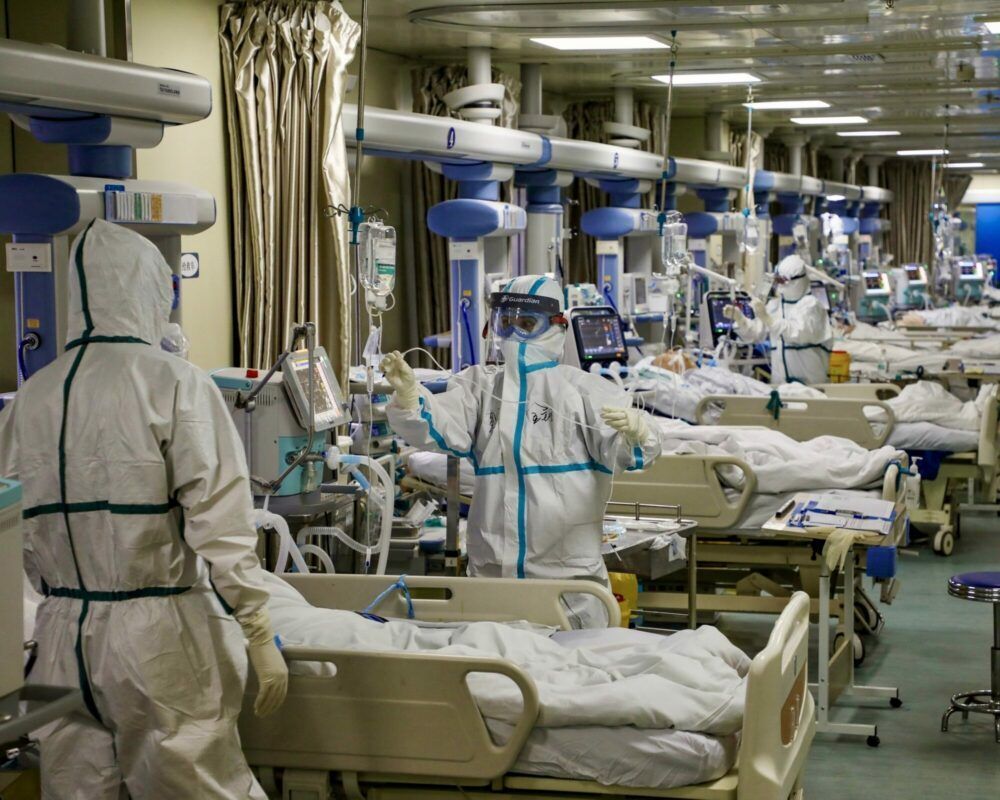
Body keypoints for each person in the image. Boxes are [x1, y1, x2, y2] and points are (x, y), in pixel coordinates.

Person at [0, 219, 287, 799]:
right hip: (158, 640)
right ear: (146, 291)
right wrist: (257, 627)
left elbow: (14, 528)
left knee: (76, 787)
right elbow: (222, 525)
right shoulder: (174, 384)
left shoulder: (31, 396)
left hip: (60, 641)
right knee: (196, 783)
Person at [383, 275, 661, 628]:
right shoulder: (480, 388)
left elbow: (630, 454)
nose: (513, 335)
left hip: (567, 586)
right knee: (495, 675)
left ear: (556, 327)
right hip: (492, 580)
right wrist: (411, 398)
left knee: (572, 674)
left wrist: (639, 434)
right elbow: (437, 426)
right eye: (505, 323)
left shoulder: (584, 393)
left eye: (527, 324)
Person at [723, 254, 834, 384]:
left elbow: (799, 333)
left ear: (798, 280)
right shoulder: (775, 306)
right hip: (781, 385)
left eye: (783, 281)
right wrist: (740, 319)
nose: (780, 287)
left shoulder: (811, 305)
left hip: (811, 384)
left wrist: (768, 319)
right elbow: (756, 334)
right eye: (778, 281)